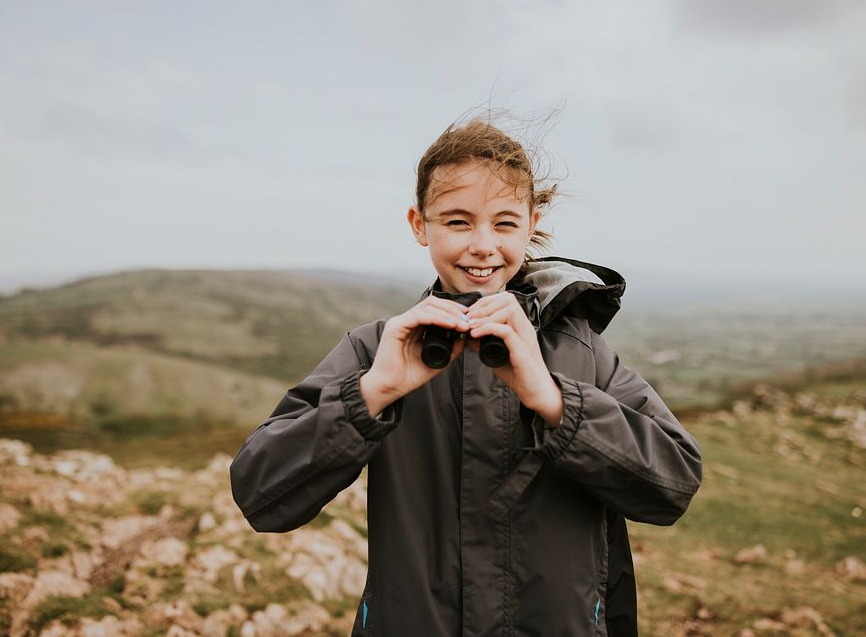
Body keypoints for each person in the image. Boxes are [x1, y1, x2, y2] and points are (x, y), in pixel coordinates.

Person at [229, 118, 703, 636]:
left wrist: (554, 401)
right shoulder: (375, 350)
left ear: (531, 224)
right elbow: (260, 495)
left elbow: (673, 484)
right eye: (457, 222)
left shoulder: (580, 352)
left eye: (504, 223)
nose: (483, 245)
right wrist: (372, 393)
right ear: (419, 224)